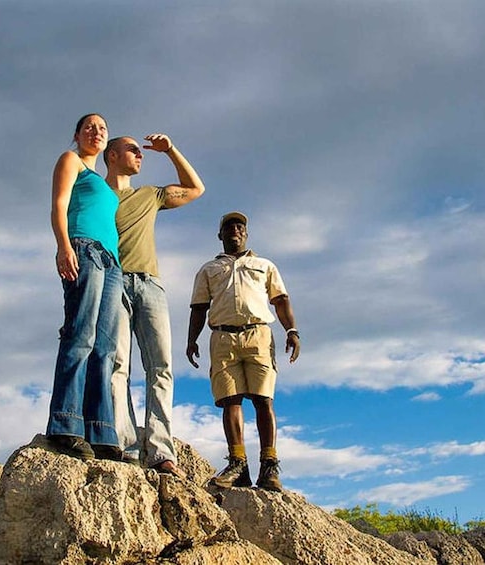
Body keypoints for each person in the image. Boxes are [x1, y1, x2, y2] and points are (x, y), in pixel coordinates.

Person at [104, 133, 205, 475]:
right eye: (132, 149)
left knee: (160, 366)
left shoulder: (149, 195)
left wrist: (171, 150)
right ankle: (127, 446)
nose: (139, 154)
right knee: (118, 366)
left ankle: (161, 451)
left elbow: (195, 189)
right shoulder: (98, 195)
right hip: (112, 282)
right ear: (112, 155)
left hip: (150, 284)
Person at [186, 211, 301, 491]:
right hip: (222, 337)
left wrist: (292, 331)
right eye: (229, 227)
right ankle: (238, 463)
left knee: (263, 399)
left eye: (239, 227)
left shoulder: (264, 265)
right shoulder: (208, 269)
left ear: (246, 234)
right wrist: (192, 340)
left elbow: (280, 299)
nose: (235, 230)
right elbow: (199, 307)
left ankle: (269, 466)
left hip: (258, 334)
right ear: (220, 235)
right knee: (230, 399)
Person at [46, 113, 123, 461]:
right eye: (90, 127)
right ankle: (65, 425)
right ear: (77, 134)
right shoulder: (71, 160)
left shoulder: (106, 185)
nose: (97, 131)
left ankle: (101, 431)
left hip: (112, 263)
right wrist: (64, 246)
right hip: (84, 249)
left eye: (102, 128)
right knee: (81, 335)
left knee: (105, 348)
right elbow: (59, 205)